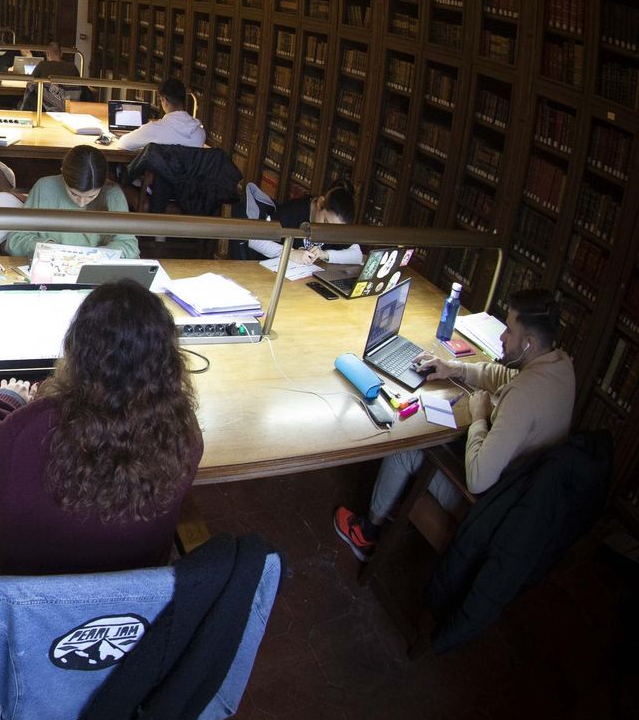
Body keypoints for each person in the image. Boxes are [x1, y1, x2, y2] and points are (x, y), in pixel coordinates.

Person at [0, 281, 204, 575]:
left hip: (31, 598)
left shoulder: (41, 424)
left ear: (77, 351)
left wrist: (4, 401)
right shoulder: (183, 430)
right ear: (169, 359)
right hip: (133, 601)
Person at [333, 288, 575, 561]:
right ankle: (391, 502)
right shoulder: (560, 366)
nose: (502, 337)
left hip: (490, 508)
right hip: (526, 498)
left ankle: (367, 533)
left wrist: (479, 416)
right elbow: (503, 376)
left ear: (529, 343)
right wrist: (454, 368)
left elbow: (477, 479)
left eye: (508, 331)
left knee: (406, 449)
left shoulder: (523, 396)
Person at [0, 145, 138, 259]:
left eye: (91, 197)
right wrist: (44, 246)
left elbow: (130, 246)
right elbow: (16, 240)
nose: (81, 202)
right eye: (74, 194)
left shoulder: (113, 195)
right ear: (62, 174)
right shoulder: (45, 187)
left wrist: (99, 255)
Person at [244, 181, 362, 265]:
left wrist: (325, 254)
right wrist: (290, 253)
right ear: (320, 203)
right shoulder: (293, 211)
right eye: (325, 221)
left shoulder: (334, 226)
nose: (328, 230)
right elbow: (254, 240)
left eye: (334, 230)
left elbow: (357, 255)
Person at [112, 77, 206, 149]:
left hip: (159, 170)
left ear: (164, 100)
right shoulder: (199, 133)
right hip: (186, 170)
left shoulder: (154, 129)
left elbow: (123, 144)